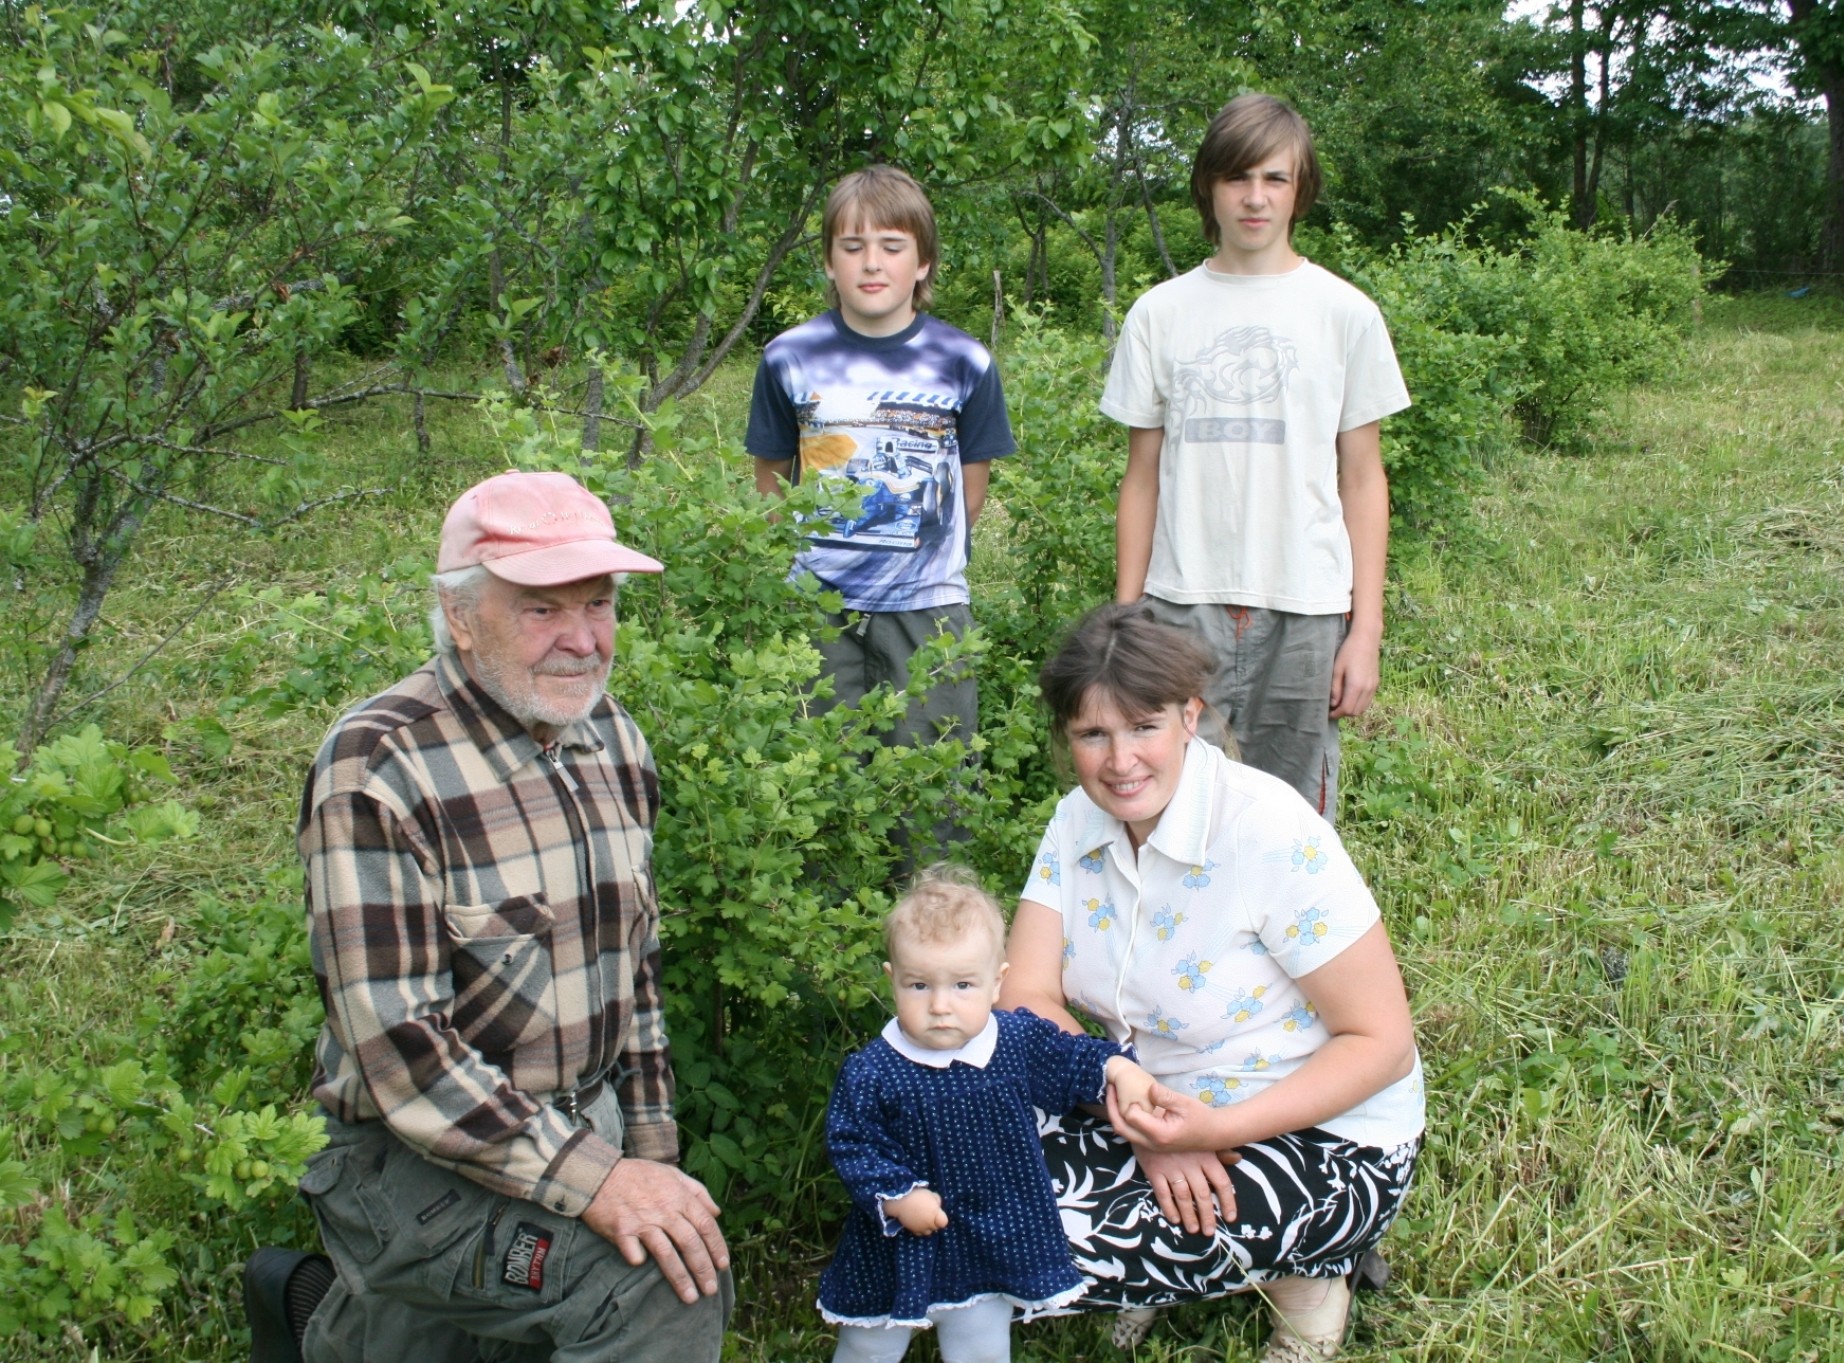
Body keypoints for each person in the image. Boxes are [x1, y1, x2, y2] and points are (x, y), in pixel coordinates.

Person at [242, 470, 731, 1363]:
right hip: (405, 1158)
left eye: (599, 602)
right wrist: (601, 1182)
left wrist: (650, 1156)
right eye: (542, 609)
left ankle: (317, 1321)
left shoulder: (611, 737)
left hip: (580, 1125)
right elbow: (403, 1057)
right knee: (657, 1288)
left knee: (647, 1249)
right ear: (460, 617)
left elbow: (638, 969)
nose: (583, 639)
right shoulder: (379, 767)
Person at [998, 604, 1426, 1363]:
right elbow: (1023, 998)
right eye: (1093, 734)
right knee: (950, 1154)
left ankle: (1311, 1275)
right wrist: (1131, 1107)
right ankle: (1175, 1256)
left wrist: (1215, 1130)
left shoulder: (1266, 828)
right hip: (1147, 1099)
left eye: (1143, 726)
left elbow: (1384, 1044)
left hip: (1321, 1130)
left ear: (1189, 716)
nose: (1120, 759)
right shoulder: (1075, 823)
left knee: (1039, 1241)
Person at [1100, 93, 1412, 819]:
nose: (1255, 197)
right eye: (1238, 177)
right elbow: (1140, 476)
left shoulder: (1345, 313)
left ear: (1301, 189)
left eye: (1275, 178)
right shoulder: (1160, 313)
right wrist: (1126, 618)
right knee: (1173, 804)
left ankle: (1290, 937)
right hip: (1181, 606)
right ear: (1208, 186)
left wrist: (1364, 631)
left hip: (1305, 608)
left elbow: (1363, 479)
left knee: (1293, 815)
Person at [819, 865, 1163, 1363]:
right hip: (900, 1243)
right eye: (919, 986)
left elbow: (1069, 1057)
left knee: (979, 1340)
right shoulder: (874, 1069)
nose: (940, 1005)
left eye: (962, 985)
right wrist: (897, 1197)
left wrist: (1117, 1069)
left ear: (997, 982)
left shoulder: (1014, 1040)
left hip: (993, 1235)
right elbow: (853, 1141)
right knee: (871, 1341)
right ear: (893, 981)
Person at [747, 165, 1016, 752]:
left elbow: (972, 482)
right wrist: (797, 564)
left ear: (922, 263)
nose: (872, 262)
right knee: (814, 774)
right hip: (817, 608)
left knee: (934, 782)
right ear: (828, 260)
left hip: (928, 607)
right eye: (853, 246)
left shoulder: (963, 359)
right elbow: (770, 477)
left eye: (892, 247)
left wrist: (920, 554)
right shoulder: (787, 357)